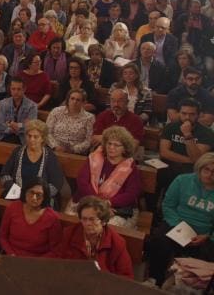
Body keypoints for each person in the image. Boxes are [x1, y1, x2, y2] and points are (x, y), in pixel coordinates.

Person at [148, 152, 214, 285]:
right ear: (200, 168)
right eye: (207, 169)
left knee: (207, 253)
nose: (210, 175)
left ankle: (192, 285)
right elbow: (168, 205)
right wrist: (179, 226)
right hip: (178, 223)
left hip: (205, 231)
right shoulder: (183, 180)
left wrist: (208, 235)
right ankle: (155, 279)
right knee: (158, 240)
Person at [74, 126, 141, 228]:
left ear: (125, 148)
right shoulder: (94, 158)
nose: (111, 147)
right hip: (89, 202)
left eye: (116, 145)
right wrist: (99, 204)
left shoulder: (129, 167)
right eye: (109, 143)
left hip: (116, 208)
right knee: (75, 222)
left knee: (105, 227)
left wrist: (108, 203)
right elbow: (82, 181)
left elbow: (131, 193)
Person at [53, 195, 133, 278]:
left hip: (103, 286)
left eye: (92, 219)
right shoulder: (69, 233)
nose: (87, 223)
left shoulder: (117, 242)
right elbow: (58, 262)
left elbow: (126, 277)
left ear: (103, 221)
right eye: (84, 219)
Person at [1, 120, 65, 209]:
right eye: (29, 136)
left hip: (40, 198)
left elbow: (56, 183)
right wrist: (14, 189)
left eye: (36, 137)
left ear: (42, 138)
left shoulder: (50, 156)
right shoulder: (17, 152)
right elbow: (5, 174)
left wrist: (38, 196)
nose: (31, 140)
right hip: (17, 194)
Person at [158, 99, 214, 196]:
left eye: (192, 114)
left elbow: (197, 158)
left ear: (198, 115)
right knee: (153, 176)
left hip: (192, 170)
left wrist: (187, 134)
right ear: (179, 113)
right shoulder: (170, 127)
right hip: (170, 166)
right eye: (184, 113)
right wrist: (189, 160)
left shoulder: (206, 133)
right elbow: (164, 152)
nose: (187, 117)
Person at [0, 177, 62, 257]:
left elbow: (56, 250)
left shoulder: (52, 218)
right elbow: (2, 236)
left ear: (45, 197)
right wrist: (11, 254)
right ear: (25, 192)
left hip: (37, 263)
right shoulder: (13, 207)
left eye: (39, 195)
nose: (34, 198)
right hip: (11, 256)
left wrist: (35, 263)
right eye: (31, 192)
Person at [45, 88, 95, 155]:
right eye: (72, 98)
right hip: (53, 149)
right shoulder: (56, 111)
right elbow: (47, 132)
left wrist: (73, 150)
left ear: (83, 103)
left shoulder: (89, 118)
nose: (74, 102)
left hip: (76, 153)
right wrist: (55, 146)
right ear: (68, 100)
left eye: (78, 100)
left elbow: (89, 140)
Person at [0, 78, 38, 144]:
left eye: (19, 89)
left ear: (24, 90)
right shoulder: (3, 103)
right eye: (13, 89)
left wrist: (17, 125)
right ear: (10, 89)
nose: (16, 92)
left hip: (23, 139)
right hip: (3, 136)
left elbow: (31, 126)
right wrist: (12, 128)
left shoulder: (32, 106)